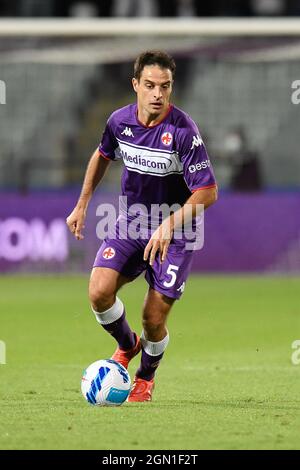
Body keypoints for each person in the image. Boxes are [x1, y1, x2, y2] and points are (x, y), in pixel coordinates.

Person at [66, 50, 217, 402]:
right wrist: (82, 203)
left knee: (153, 317)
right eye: (149, 85)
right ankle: (127, 344)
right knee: (99, 292)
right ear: (135, 85)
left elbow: (208, 192)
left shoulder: (183, 131)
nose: (157, 94)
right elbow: (103, 154)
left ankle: (145, 378)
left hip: (177, 231)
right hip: (132, 221)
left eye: (165, 86)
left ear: (171, 87)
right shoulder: (119, 122)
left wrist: (170, 224)